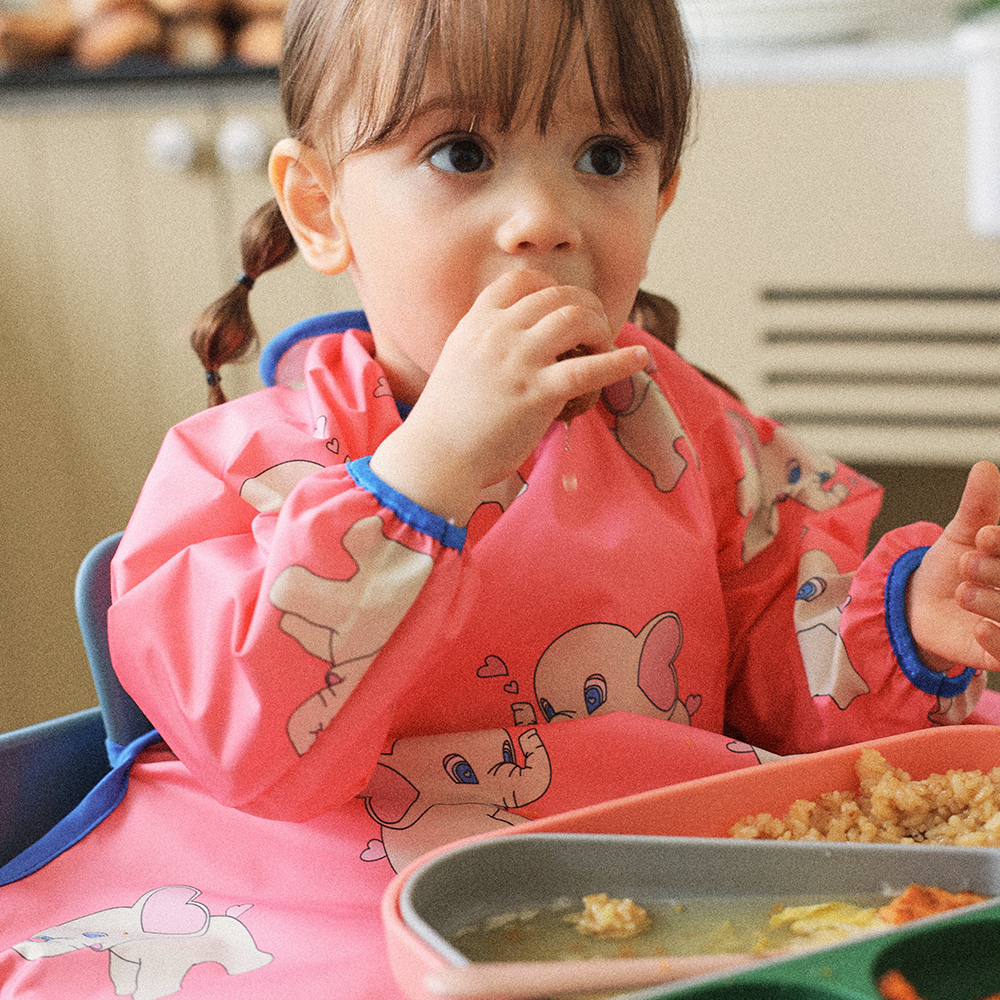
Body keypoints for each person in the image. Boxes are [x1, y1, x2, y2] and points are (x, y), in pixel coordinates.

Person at [3, 1, 1000, 997]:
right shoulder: (253, 463)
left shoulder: (692, 435)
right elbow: (256, 750)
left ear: (661, 197)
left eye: (605, 157)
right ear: (320, 207)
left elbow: (787, 699)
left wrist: (903, 625)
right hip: (342, 889)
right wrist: (425, 471)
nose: (544, 221)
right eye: (463, 152)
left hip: (670, 872)